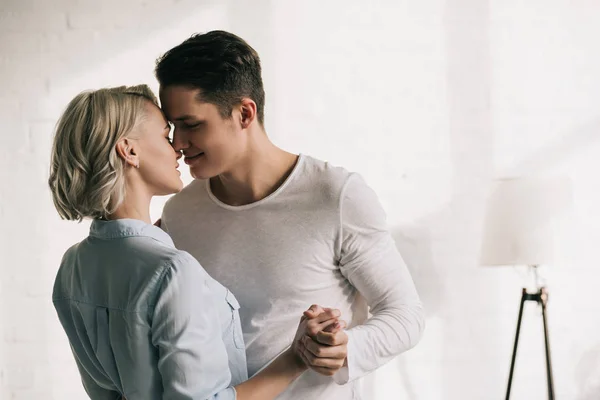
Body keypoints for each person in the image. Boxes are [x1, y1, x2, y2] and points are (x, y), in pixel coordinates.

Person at [155, 30, 426, 399]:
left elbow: (405, 315)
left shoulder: (336, 196)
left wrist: (346, 348)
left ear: (244, 113)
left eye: (191, 124)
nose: (177, 143)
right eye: (173, 127)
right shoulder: (179, 214)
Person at [48, 85, 343, 400]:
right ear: (129, 151)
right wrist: (297, 357)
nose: (177, 148)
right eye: (165, 135)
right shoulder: (172, 270)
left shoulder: (72, 265)